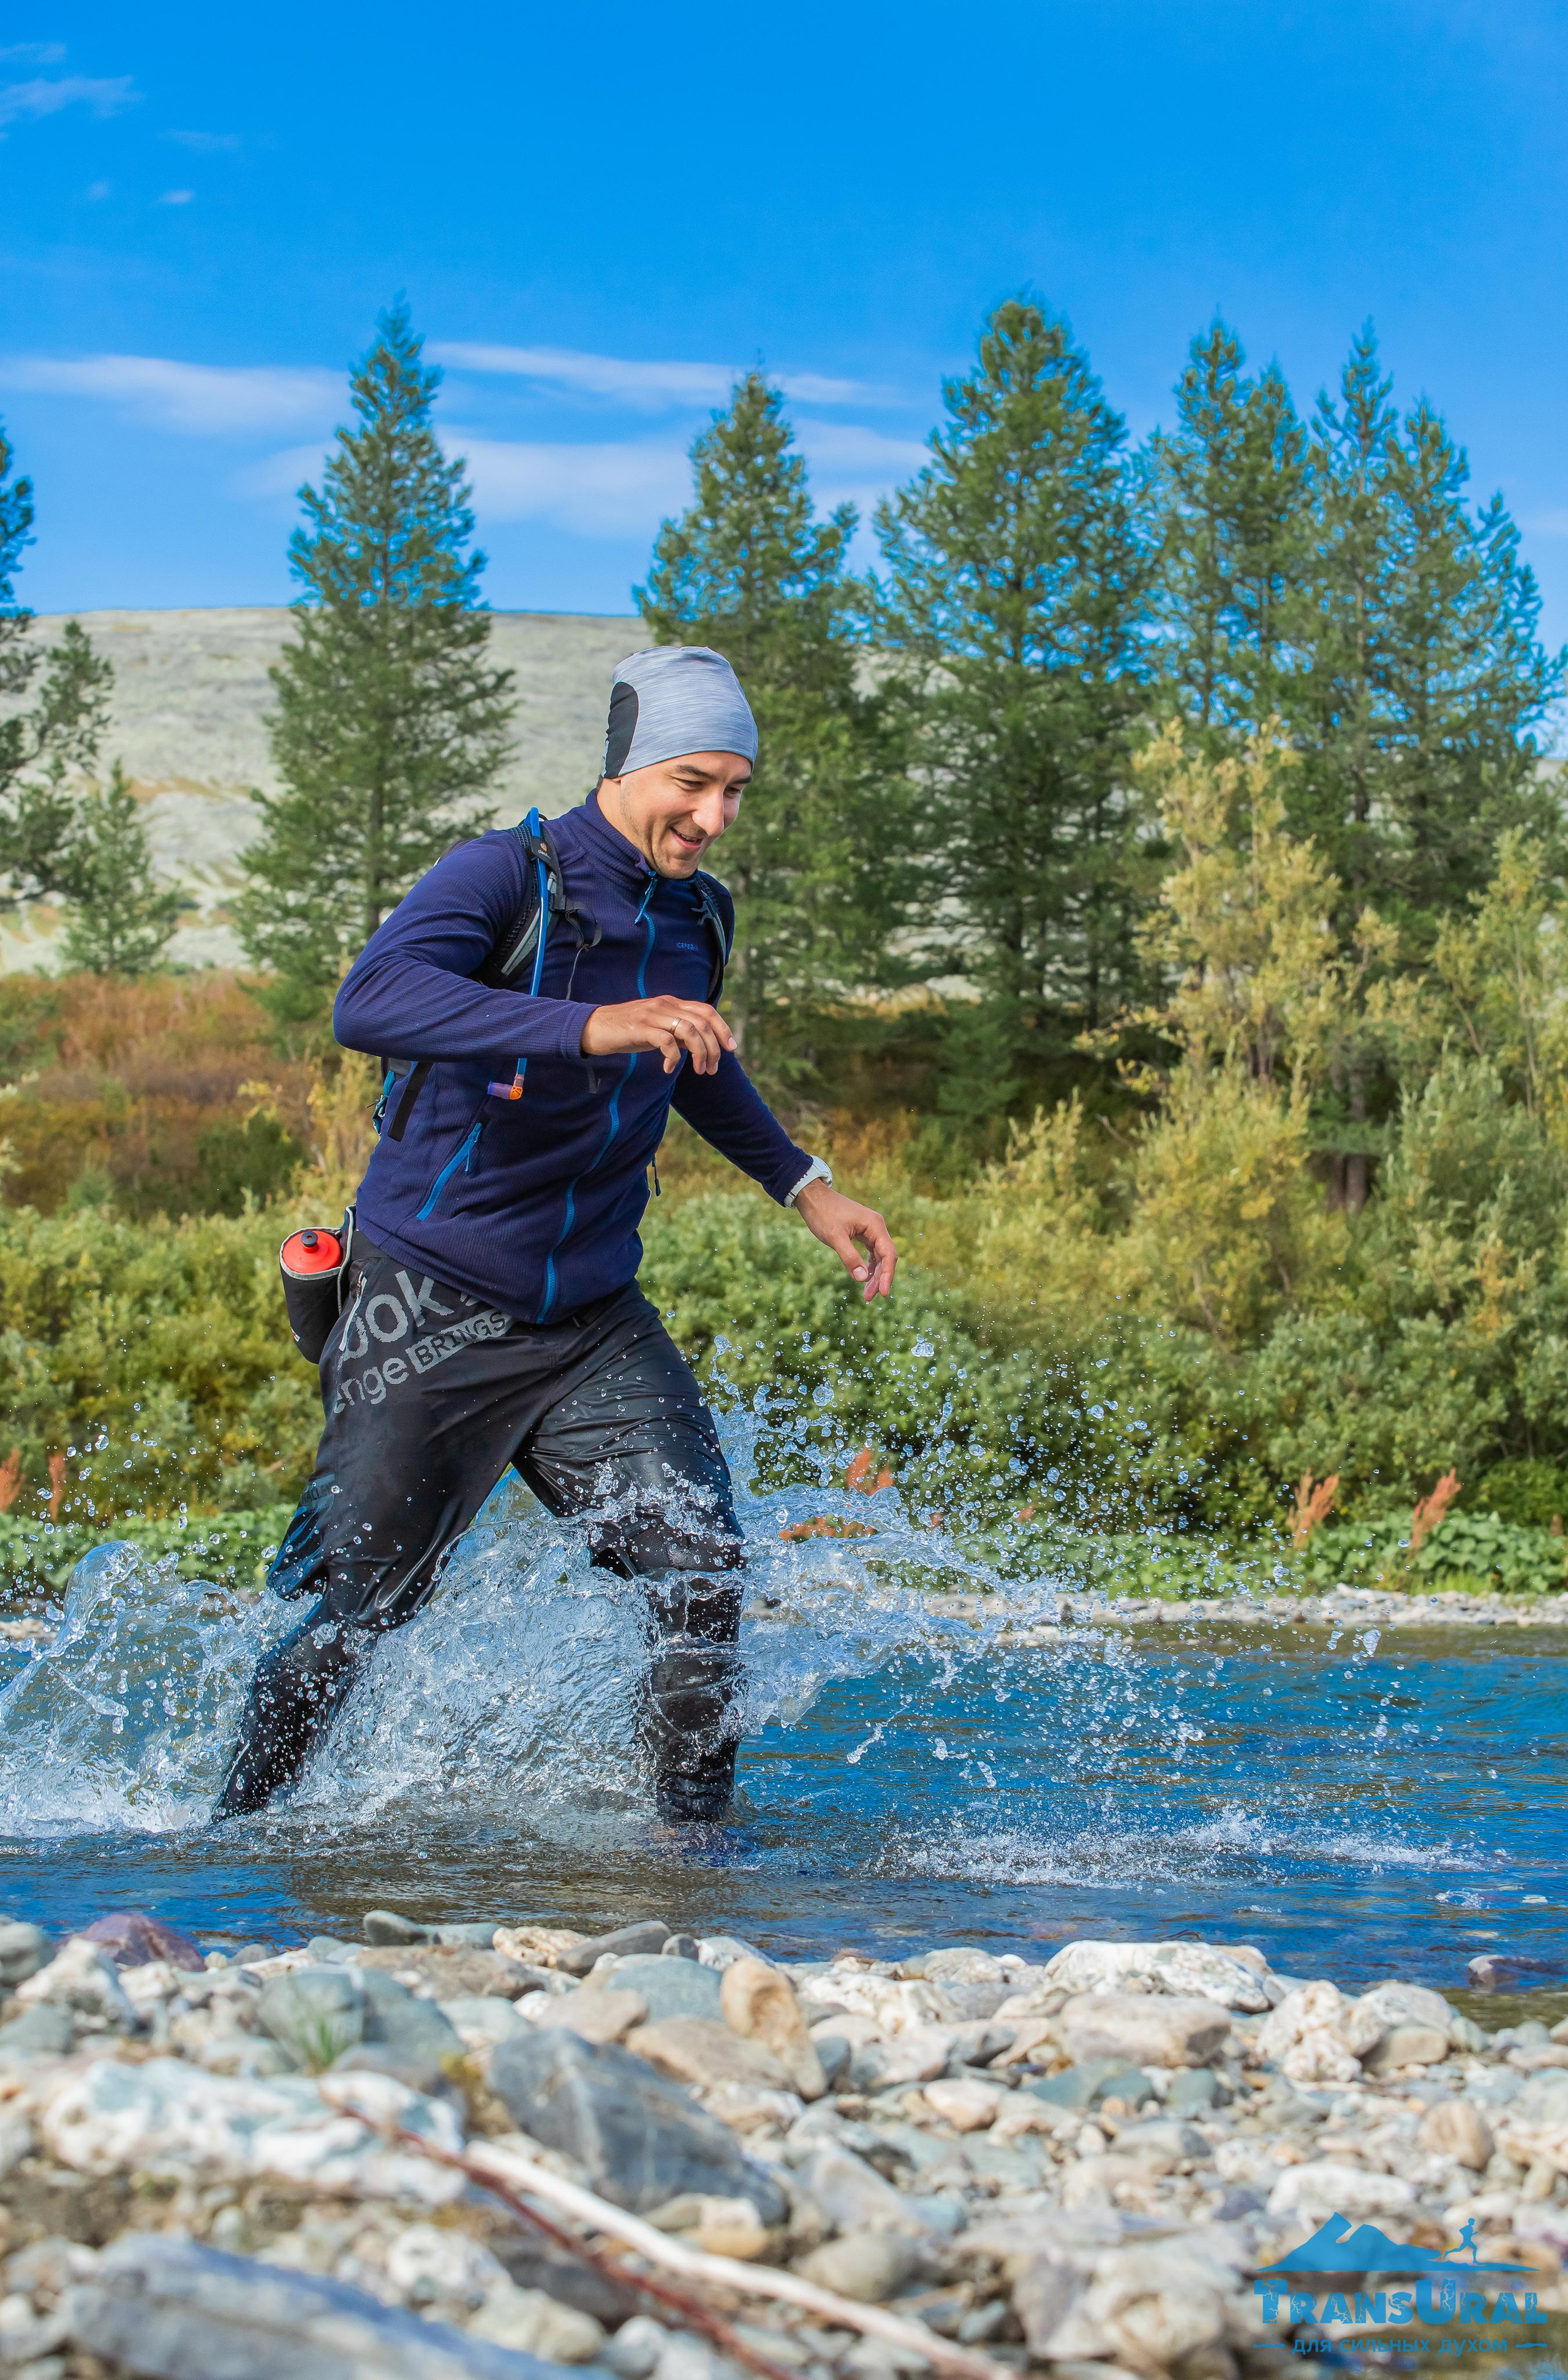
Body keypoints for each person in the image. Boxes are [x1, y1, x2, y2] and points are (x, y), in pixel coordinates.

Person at [214, 646, 896, 1823]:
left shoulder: (700, 912)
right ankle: (231, 1841)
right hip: (427, 1302)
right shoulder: (502, 876)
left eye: (736, 790)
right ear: (628, 764)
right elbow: (370, 1000)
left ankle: (688, 1868)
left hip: (590, 1322)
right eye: (692, 782)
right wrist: (592, 1025)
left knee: (702, 1581)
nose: (714, 818)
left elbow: (694, 1059)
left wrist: (805, 1183)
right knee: (360, 1616)